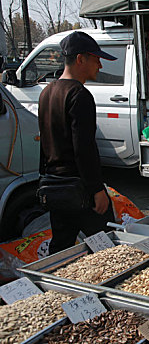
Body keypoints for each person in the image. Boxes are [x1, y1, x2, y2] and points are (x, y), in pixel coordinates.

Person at [39, 31, 117, 254]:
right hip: (79, 188)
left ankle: (53, 285)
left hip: (55, 185)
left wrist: (44, 179)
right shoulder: (79, 94)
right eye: (96, 59)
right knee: (108, 247)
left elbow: (44, 142)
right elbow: (83, 148)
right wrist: (96, 190)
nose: (99, 66)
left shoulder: (47, 92)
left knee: (61, 246)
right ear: (80, 59)